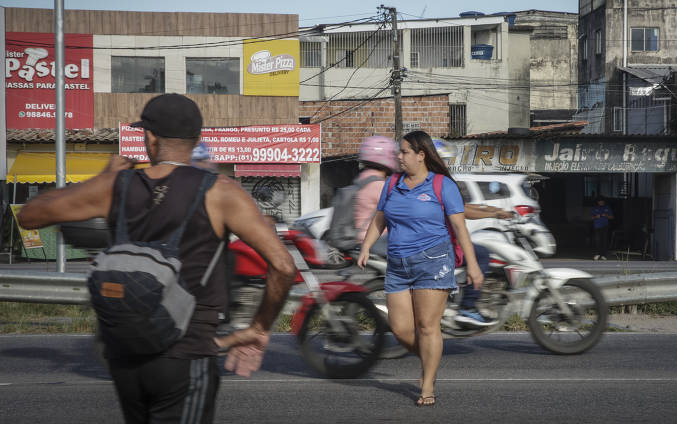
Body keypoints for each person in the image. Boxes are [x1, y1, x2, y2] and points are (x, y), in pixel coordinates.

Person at [17, 93, 296, 424]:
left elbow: (30, 215)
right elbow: (282, 265)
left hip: (124, 354)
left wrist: (104, 177)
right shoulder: (220, 191)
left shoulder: (115, 186)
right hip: (186, 353)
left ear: (150, 138)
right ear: (197, 140)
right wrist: (260, 328)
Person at [357, 130, 484, 407]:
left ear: (420, 155)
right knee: (401, 329)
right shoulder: (392, 184)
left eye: (404, 152)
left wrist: (473, 265)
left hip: (434, 262)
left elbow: (461, 227)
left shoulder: (442, 186)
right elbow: (380, 219)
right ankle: (429, 359)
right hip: (398, 263)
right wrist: (367, 246)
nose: (399, 157)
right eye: (399, 152)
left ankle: (427, 383)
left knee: (427, 326)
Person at [591, 196, 614, 260]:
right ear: (598, 202)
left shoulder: (607, 208)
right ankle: (598, 254)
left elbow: (612, 217)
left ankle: (604, 255)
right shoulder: (594, 208)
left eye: (602, 202)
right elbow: (591, 218)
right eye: (600, 202)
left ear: (604, 202)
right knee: (597, 240)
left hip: (605, 226)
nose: (601, 203)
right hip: (597, 226)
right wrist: (596, 217)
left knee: (604, 240)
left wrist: (606, 215)